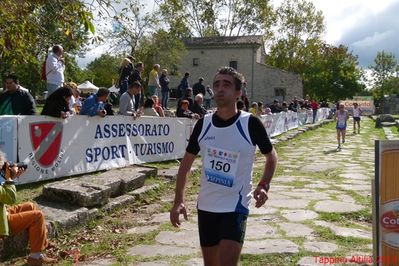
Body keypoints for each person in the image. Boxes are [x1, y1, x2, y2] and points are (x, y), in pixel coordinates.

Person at [170, 67, 278, 265]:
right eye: (217, 84)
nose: (220, 89)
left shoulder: (250, 124)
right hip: (206, 207)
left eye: (226, 84)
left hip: (235, 207)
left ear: (238, 92)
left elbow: (271, 157)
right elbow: (185, 166)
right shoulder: (204, 124)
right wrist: (179, 200)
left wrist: (264, 185)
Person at [0, 150, 56, 265]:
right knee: (37, 216)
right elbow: (10, 198)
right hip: (1, 223)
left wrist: (11, 177)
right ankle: (35, 258)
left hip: (2, 212)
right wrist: (9, 178)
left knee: (31, 206)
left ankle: (42, 243)